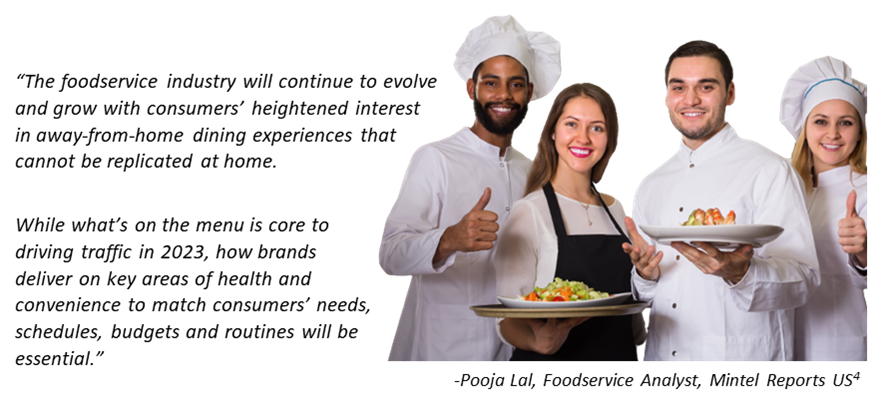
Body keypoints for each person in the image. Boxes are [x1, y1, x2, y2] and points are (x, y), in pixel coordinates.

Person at [378, 15, 561, 362]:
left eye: (516, 84)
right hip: (441, 347)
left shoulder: (533, 172)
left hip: (513, 348)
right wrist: (449, 240)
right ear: (471, 88)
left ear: (530, 92)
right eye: (491, 83)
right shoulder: (435, 158)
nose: (504, 95)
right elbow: (389, 256)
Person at [624, 39, 821, 361]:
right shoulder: (650, 184)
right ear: (666, 97)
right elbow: (648, 295)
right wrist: (645, 275)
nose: (690, 100)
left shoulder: (769, 169)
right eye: (679, 88)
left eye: (705, 87)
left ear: (730, 93)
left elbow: (804, 278)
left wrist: (740, 273)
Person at [495, 82, 646, 361]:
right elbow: (505, 319)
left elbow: (630, 303)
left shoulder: (616, 208)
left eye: (597, 127)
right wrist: (537, 342)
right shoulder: (528, 212)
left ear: (610, 138)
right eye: (572, 124)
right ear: (553, 131)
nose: (584, 138)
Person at [779, 55, 868, 362]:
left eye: (845, 122)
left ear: (859, 132)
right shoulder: (784, 186)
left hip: (837, 344)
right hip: (779, 336)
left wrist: (864, 253)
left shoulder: (865, 190)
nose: (832, 134)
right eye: (821, 121)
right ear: (804, 128)